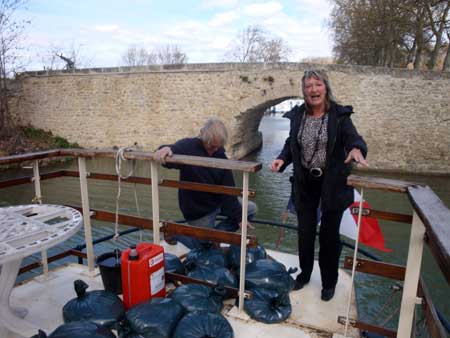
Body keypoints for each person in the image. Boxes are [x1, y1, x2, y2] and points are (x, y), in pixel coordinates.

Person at [271, 69, 368, 301]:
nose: (313, 90)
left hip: (332, 185)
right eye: (308, 86)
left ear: (326, 87)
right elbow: (290, 143)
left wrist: (356, 149)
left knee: (329, 237)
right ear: (304, 91)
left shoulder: (339, 115)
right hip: (305, 183)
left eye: (318, 85)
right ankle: (304, 275)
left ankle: (329, 283)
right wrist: (283, 158)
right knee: (304, 234)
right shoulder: (298, 115)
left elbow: (353, 138)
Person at [154, 117, 256, 247]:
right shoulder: (188, 146)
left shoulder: (221, 155)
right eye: (211, 146)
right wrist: (165, 149)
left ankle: (214, 237)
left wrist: (239, 217)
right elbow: (172, 151)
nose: (213, 150)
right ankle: (173, 231)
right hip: (198, 208)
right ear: (203, 137)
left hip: (217, 202)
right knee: (203, 246)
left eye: (217, 147)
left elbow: (228, 190)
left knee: (251, 210)